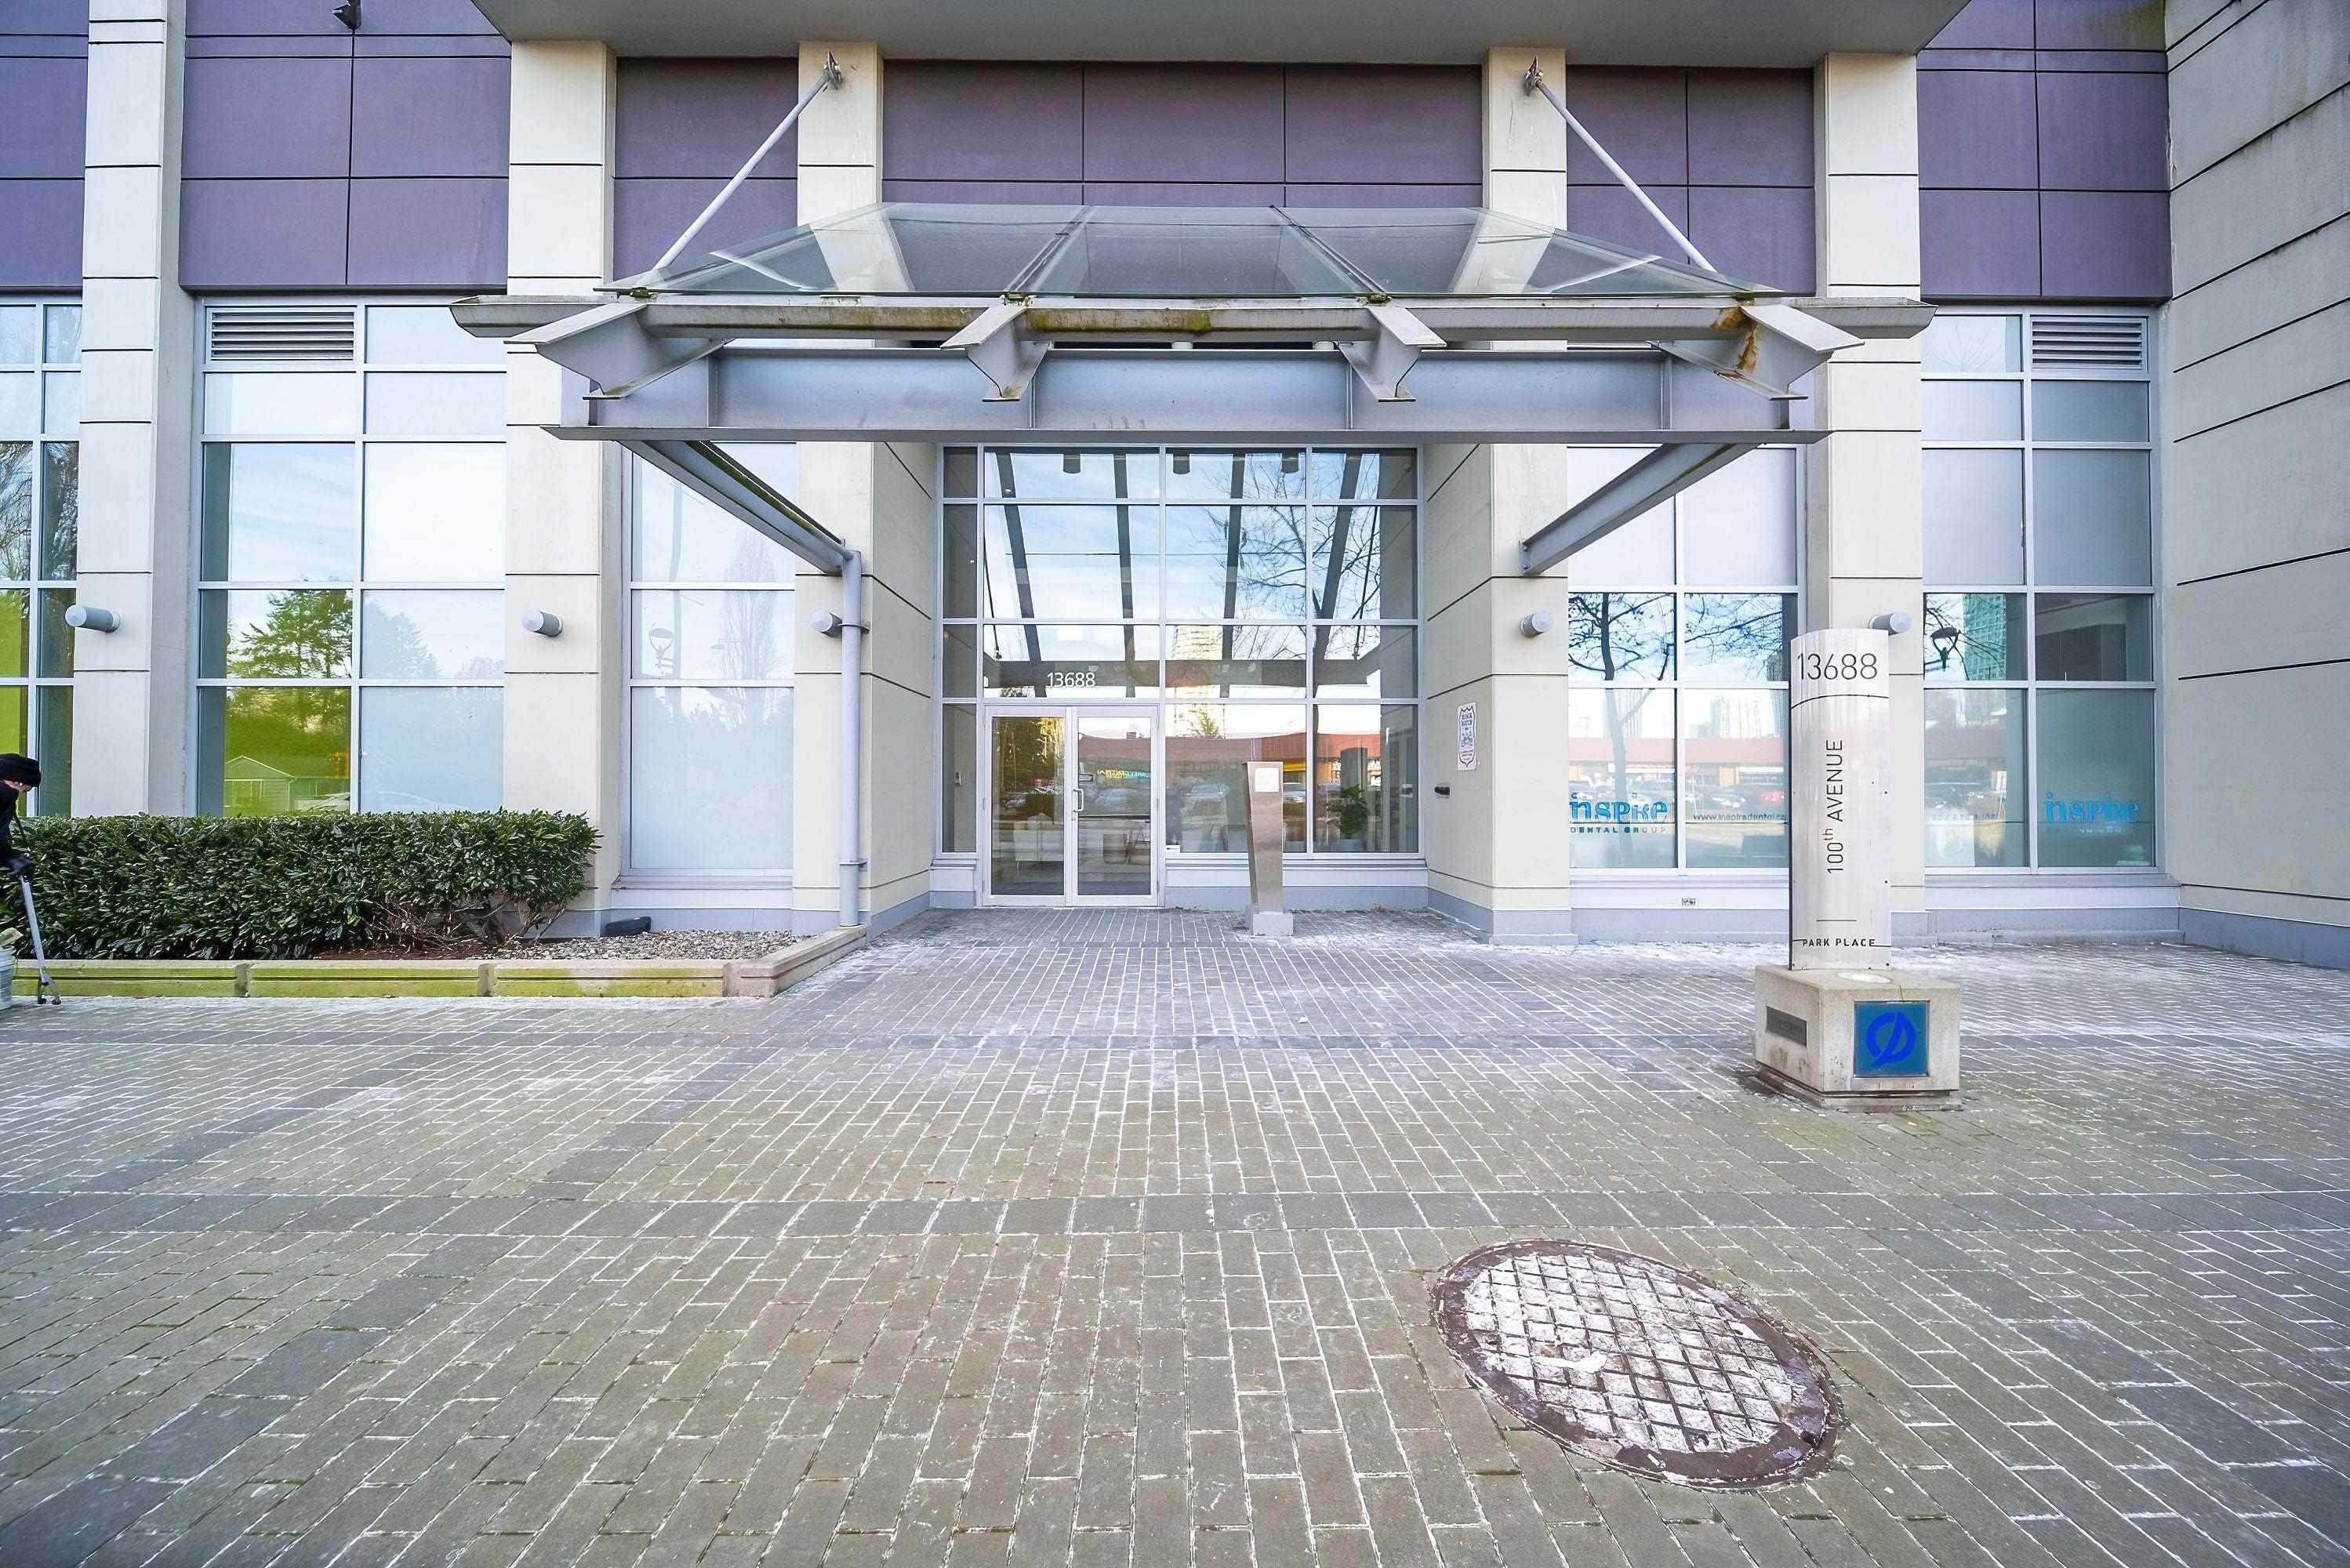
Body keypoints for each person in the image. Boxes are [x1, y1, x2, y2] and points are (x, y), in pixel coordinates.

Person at [0, 753, 38, 877]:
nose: (22, 795)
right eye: (27, 790)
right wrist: (12, 858)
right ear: (18, 782)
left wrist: (11, 857)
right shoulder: (5, 793)